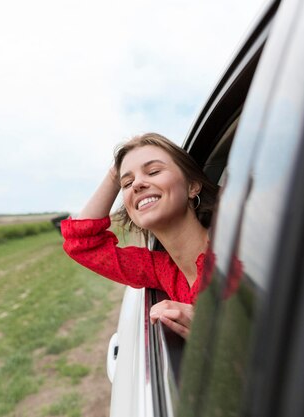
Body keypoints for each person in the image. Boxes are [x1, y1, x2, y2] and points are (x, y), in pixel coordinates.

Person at [61, 133, 218, 339]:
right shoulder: (163, 270)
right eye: (126, 183)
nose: (137, 184)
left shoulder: (234, 254)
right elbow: (81, 244)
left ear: (192, 186)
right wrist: (114, 175)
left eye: (153, 171)